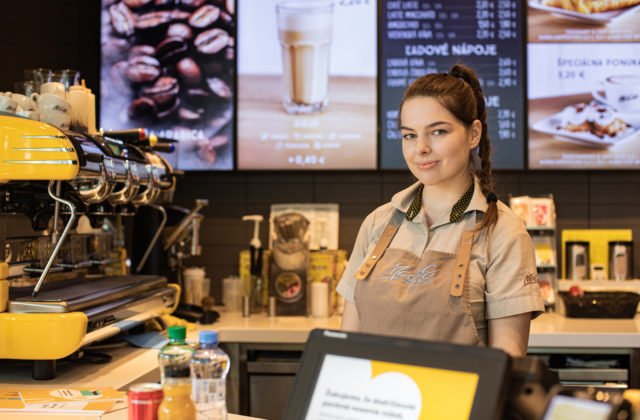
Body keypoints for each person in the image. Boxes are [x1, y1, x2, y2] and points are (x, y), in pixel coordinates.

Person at [337, 64, 544, 357]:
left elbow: (506, 362)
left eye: (438, 132)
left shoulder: (502, 231)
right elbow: (348, 345)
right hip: (378, 399)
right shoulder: (378, 223)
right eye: (409, 135)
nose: (420, 148)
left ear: (473, 134)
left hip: (460, 402)